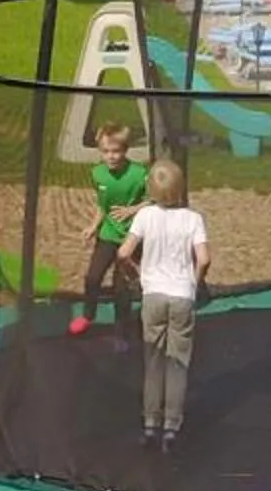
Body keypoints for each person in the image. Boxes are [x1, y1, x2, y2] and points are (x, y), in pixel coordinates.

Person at [117, 158, 209, 450]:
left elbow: (123, 252)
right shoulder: (193, 219)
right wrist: (194, 281)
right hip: (181, 295)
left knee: (153, 360)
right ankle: (171, 426)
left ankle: (150, 424)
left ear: (151, 190)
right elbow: (204, 258)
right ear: (181, 188)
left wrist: (135, 272)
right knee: (178, 363)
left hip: (153, 294)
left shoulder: (145, 216)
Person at [71, 122, 148, 338]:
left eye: (116, 151)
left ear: (125, 150)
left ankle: (120, 329)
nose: (111, 156)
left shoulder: (139, 173)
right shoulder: (98, 174)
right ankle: (88, 315)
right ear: (100, 151)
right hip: (107, 235)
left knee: (121, 287)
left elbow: (154, 200)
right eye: (106, 152)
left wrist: (132, 209)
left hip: (131, 238)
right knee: (92, 278)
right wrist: (93, 226)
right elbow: (102, 205)